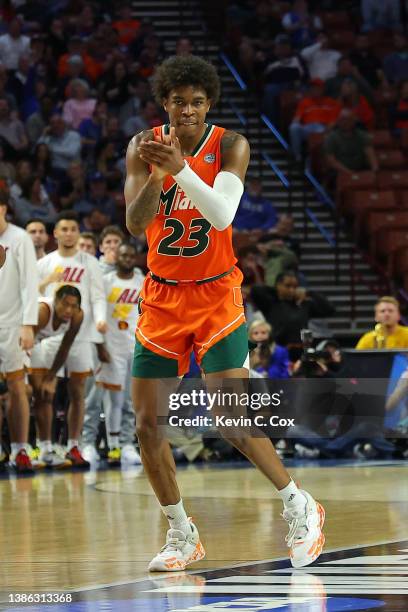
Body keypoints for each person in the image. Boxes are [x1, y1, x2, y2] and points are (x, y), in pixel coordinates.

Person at [124, 54, 325, 572]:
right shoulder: (142, 147)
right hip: (163, 297)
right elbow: (133, 223)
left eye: (196, 103)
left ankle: (298, 503)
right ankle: (181, 533)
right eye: (177, 102)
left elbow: (222, 214)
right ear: (164, 104)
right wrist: (158, 173)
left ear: (208, 104)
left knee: (231, 419)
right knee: (148, 425)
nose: (187, 111)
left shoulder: (231, 145)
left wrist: (181, 169)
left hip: (216, 296)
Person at [37, 211, 107, 467]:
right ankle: (45, 446)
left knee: (78, 392)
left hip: (81, 332)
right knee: (45, 390)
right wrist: (47, 281)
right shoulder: (45, 263)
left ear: (78, 233)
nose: (68, 233)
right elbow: (32, 295)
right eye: (63, 229)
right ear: (55, 233)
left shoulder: (90, 262)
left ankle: (74, 446)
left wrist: (100, 321)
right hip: (50, 334)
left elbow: (98, 296)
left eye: (73, 229)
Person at [0, 189, 39, 473]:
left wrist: (28, 324)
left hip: (13, 323)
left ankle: (20, 449)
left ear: (4, 208)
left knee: (16, 387)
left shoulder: (19, 238)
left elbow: (29, 284)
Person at [95, 243, 144, 465]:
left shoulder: (141, 282)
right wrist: (100, 345)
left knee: (132, 400)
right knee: (112, 398)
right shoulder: (106, 282)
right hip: (111, 345)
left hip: (135, 345)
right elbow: (98, 314)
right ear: (117, 257)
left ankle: (126, 443)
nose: (127, 258)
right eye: (123, 254)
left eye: (130, 255)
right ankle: (111, 444)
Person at [30, 285, 83, 468]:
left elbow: (65, 347)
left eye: (73, 306)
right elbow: (23, 340)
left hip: (35, 343)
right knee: (25, 390)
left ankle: (45, 451)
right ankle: (20, 450)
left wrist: (51, 377)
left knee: (46, 393)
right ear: (55, 301)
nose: (69, 310)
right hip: (15, 339)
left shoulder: (77, 317)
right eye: (65, 304)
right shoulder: (43, 311)